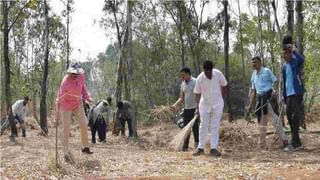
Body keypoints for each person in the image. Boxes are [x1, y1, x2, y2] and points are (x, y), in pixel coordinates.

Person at [246, 56, 289, 149]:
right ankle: (262, 144)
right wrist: (250, 104)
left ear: (260, 62)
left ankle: (285, 141)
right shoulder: (253, 75)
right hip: (259, 99)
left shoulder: (266, 71)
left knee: (275, 120)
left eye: (255, 62)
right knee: (261, 122)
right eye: (252, 62)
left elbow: (275, 81)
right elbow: (253, 90)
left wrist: (274, 91)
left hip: (269, 98)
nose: (254, 64)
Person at [56, 62, 94, 163]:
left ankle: (85, 147)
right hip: (66, 105)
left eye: (76, 74)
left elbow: (83, 89)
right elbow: (60, 97)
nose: (75, 75)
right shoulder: (65, 83)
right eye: (73, 74)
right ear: (69, 73)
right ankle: (66, 152)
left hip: (78, 103)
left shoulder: (81, 77)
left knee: (84, 123)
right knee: (66, 128)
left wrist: (88, 97)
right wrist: (57, 110)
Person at [193, 60, 227, 157]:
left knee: (214, 126)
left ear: (212, 69)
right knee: (203, 125)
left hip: (217, 104)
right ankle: (200, 148)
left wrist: (221, 97)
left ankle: (214, 148)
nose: (208, 73)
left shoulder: (218, 74)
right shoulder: (200, 78)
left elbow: (224, 85)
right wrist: (197, 108)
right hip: (204, 104)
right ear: (203, 70)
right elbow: (197, 93)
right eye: (206, 72)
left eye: (210, 71)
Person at [282, 36, 305, 152]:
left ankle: (295, 143)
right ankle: (297, 142)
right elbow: (284, 83)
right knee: (290, 118)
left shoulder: (295, 62)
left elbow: (301, 60)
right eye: (284, 53)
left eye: (287, 53)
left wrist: (294, 50)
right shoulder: (284, 67)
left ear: (291, 54)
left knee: (295, 117)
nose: (285, 55)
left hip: (297, 93)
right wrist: (284, 96)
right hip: (289, 95)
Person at [172, 67, 199, 151]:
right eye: (181, 75)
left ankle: (197, 144)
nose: (182, 77)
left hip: (195, 108)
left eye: (183, 75)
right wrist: (174, 105)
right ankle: (185, 145)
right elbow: (182, 98)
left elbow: (199, 95)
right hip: (186, 109)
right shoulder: (183, 84)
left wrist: (199, 107)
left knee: (195, 127)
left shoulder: (195, 81)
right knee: (186, 127)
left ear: (188, 74)